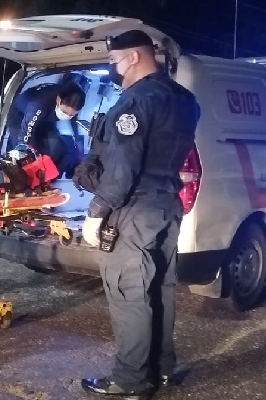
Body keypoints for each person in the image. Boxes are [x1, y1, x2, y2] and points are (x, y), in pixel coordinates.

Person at [79, 30, 201, 399]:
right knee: (160, 291)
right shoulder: (185, 100)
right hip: (166, 206)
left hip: (133, 210)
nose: (112, 68)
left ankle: (130, 382)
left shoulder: (136, 101)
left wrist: (97, 212)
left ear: (133, 57)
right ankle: (162, 371)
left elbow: (122, 168)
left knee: (129, 295)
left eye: (114, 61)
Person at [5, 78, 86, 176]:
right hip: (20, 117)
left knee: (57, 145)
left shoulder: (74, 101)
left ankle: (50, 176)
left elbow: (73, 121)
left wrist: (77, 141)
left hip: (45, 118)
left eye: (71, 115)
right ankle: (24, 177)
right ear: (58, 100)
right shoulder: (38, 104)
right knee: (25, 152)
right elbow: (26, 137)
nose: (67, 116)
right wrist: (34, 159)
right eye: (64, 112)